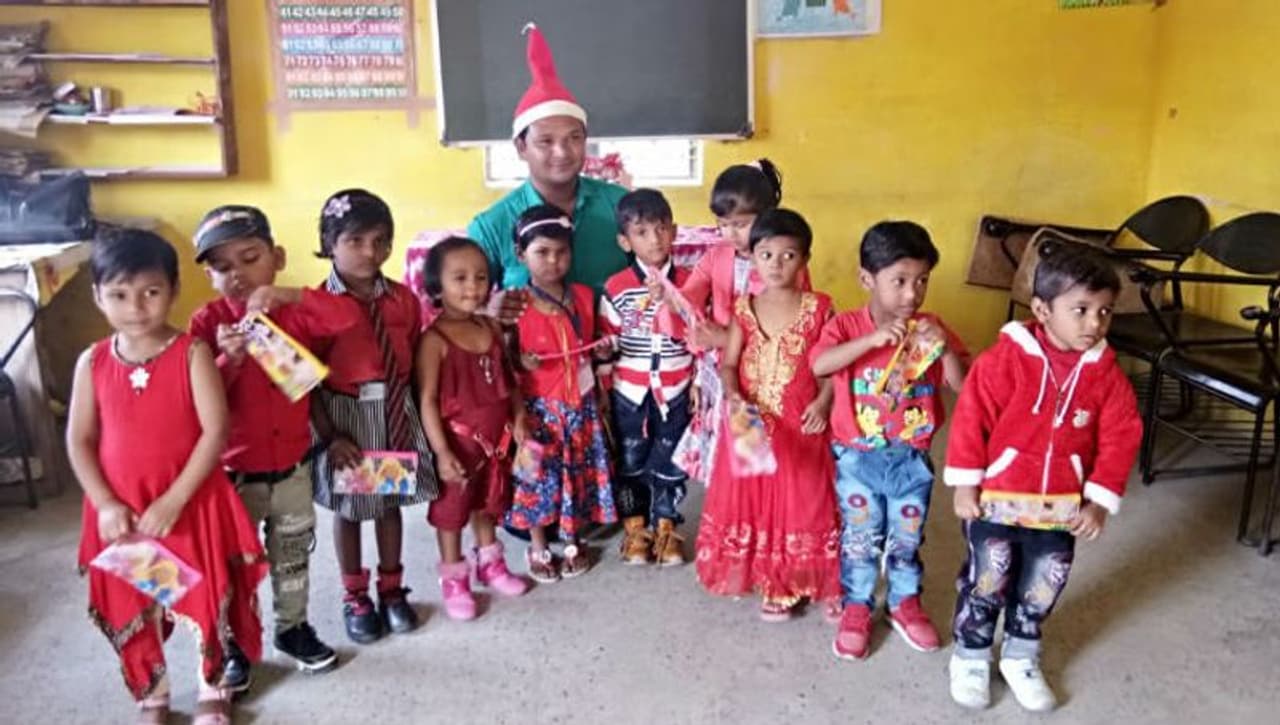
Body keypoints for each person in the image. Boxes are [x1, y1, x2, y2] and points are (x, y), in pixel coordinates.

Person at [68, 230, 267, 724]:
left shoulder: (192, 353)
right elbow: (79, 440)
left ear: (174, 290)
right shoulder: (92, 361)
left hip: (190, 504)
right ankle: (153, 694)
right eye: (119, 294)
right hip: (123, 510)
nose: (135, 308)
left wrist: (174, 500)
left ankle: (213, 688)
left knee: (203, 595)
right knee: (138, 598)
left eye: (150, 292)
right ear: (97, 296)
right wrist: (105, 503)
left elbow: (215, 431)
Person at [944, 243, 1141, 712]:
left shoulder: (1106, 376)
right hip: (994, 501)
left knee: (1043, 584)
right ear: (1042, 310)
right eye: (1081, 310)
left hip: (1060, 509)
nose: (1095, 323)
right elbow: (971, 420)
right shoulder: (1002, 362)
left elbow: (1121, 437)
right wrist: (966, 484)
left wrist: (1098, 501)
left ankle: (1021, 655)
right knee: (987, 579)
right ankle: (971, 654)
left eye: (1105, 312)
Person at [188, 205, 352, 689]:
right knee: (234, 565)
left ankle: (292, 628)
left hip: (293, 469)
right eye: (222, 267)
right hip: (234, 477)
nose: (238, 274)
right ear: (209, 276)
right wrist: (228, 360)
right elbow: (195, 403)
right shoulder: (207, 323)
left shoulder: (295, 310)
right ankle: (233, 642)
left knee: (293, 554)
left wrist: (289, 294)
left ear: (276, 258)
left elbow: (346, 319)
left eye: (250, 258)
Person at [810, 221, 969, 661]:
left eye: (921, 280)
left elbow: (962, 385)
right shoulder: (846, 326)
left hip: (911, 459)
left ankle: (904, 602)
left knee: (906, 538)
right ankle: (857, 605)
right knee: (861, 539)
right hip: (856, 459)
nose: (912, 294)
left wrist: (945, 350)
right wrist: (871, 340)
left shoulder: (931, 327)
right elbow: (821, 365)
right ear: (867, 279)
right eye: (899, 281)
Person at [694, 208, 841, 621]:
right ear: (752, 257)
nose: (776, 264)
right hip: (752, 420)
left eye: (788, 255)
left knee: (806, 499)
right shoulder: (744, 308)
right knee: (757, 502)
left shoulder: (820, 308)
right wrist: (733, 396)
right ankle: (774, 581)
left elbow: (834, 367)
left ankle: (817, 577)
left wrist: (823, 402)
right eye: (766, 254)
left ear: (805, 259)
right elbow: (728, 364)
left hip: (802, 419)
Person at [309, 189, 438, 644]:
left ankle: (391, 588)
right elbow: (306, 381)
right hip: (346, 417)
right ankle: (354, 595)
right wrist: (329, 436)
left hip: (394, 409)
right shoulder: (315, 306)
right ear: (329, 243)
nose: (370, 252)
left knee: (388, 503)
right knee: (350, 509)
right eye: (356, 241)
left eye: (381, 241)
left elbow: (415, 353)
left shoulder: (402, 300)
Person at [415, 237, 531, 621]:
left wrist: (519, 418)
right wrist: (441, 452)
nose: (473, 287)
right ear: (437, 286)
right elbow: (428, 400)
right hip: (458, 446)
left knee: (488, 503)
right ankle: (454, 579)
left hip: (496, 443)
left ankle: (491, 563)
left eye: (480, 277)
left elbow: (510, 381)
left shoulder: (492, 328)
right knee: (451, 514)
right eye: (460, 278)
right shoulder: (433, 341)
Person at [467, 23, 629, 298]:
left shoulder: (621, 206)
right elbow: (467, 304)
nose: (562, 152)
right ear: (521, 147)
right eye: (546, 141)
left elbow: (657, 281)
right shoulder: (491, 226)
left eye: (573, 138)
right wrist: (490, 308)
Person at [506, 204, 617, 582]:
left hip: (580, 407)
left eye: (561, 251)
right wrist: (519, 362)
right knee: (533, 480)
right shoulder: (515, 305)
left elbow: (591, 347)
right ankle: (538, 545)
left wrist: (601, 363)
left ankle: (572, 539)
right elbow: (503, 363)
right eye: (542, 252)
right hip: (535, 412)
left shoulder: (584, 296)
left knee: (577, 477)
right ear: (521, 254)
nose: (553, 261)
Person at [598, 189, 695, 566]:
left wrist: (698, 383)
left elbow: (698, 336)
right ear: (625, 241)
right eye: (642, 232)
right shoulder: (616, 287)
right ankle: (636, 529)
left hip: (676, 387)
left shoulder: (692, 282)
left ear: (675, 231)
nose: (654, 239)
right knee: (631, 459)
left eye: (661, 228)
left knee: (671, 459)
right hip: (630, 392)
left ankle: (666, 526)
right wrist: (604, 362)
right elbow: (608, 341)